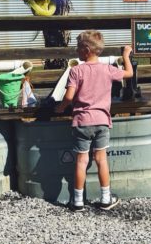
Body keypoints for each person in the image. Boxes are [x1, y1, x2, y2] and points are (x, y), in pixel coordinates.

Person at [57, 30, 134, 211]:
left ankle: (77, 201)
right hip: (102, 121)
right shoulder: (108, 70)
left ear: (86, 49)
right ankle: (106, 198)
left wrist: (60, 108)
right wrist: (126, 55)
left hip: (82, 121)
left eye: (78, 47)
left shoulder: (76, 71)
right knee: (101, 160)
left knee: (81, 161)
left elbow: (68, 96)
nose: (76, 50)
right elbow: (129, 73)